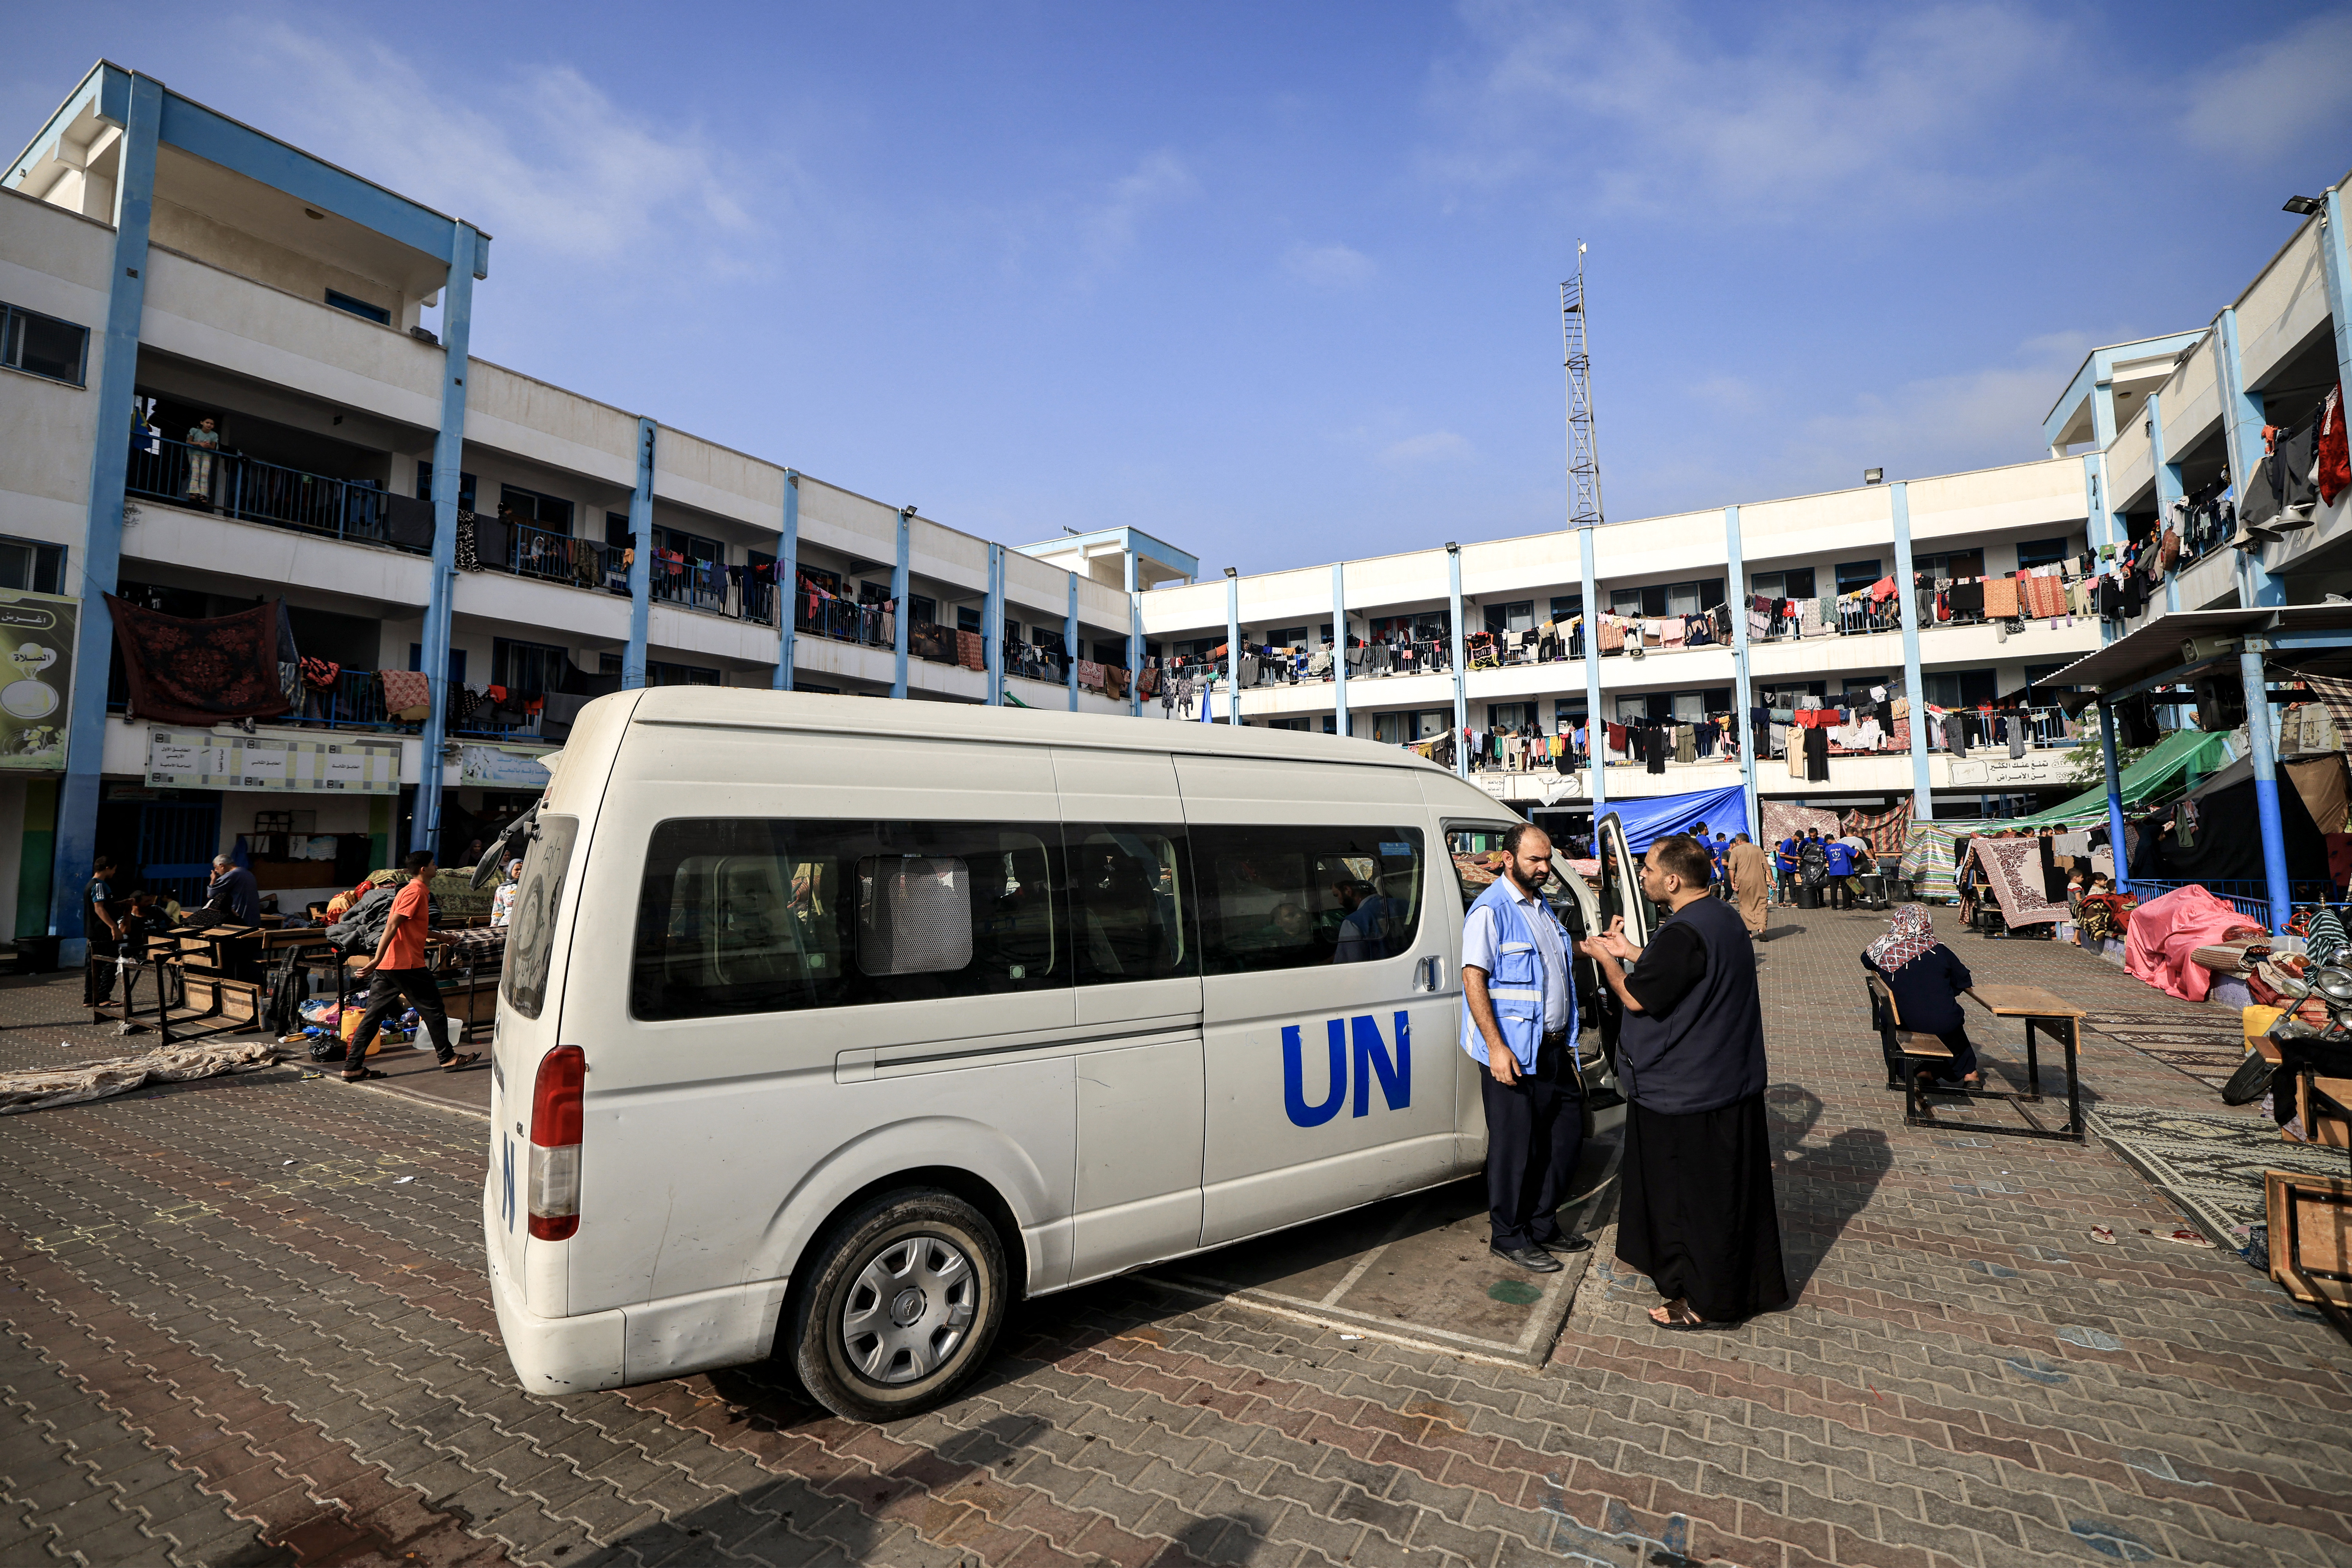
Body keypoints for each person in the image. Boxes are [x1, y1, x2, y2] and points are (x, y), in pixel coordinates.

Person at [1579, 834, 1789, 1328]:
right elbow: (1678, 970)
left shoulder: (1683, 932)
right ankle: (1734, 1289)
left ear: (1673, 879)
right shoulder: (1719, 916)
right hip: (1726, 1081)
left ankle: (1700, 1301)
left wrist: (1610, 962)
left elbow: (1637, 998)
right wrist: (1633, 949)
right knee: (1728, 1196)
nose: (1644, 876)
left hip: (1688, 1093)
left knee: (1692, 1204)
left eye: (1649, 869)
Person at [1459, 822, 1588, 1273]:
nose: (1545, 867)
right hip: (1513, 1052)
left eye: (1548, 859)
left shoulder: (1542, 906)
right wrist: (1495, 1047)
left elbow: (1553, 964)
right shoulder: (1490, 910)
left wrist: (1591, 947)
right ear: (1509, 859)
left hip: (1554, 1048)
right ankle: (1508, 1235)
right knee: (1515, 1148)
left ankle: (1541, 1223)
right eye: (1535, 859)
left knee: (1564, 1136)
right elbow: (1473, 978)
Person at [341, 851, 478, 1081]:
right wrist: (375, 960)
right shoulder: (415, 892)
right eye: (434, 864)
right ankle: (447, 1058)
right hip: (406, 964)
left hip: (392, 965)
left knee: (373, 1017)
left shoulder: (411, 891)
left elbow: (412, 927)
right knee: (434, 1011)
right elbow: (392, 926)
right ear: (424, 869)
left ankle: (353, 1066)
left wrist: (441, 937)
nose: (437, 867)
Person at [1862, 905, 1981, 1089]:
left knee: (1893, 1018)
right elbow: (1963, 981)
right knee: (1948, 1019)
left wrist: (1888, 940)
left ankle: (1922, 1072)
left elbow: (1866, 960)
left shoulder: (1885, 949)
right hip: (1941, 1022)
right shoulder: (1939, 950)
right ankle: (1970, 1074)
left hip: (1900, 1022)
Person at [82, 855, 124, 1004]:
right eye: (114, 869)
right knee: (109, 964)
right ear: (108, 868)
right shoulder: (99, 885)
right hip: (102, 932)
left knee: (94, 966)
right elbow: (99, 908)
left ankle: (90, 998)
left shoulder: (93, 885)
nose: (114, 873)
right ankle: (103, 997)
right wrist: (114, 927)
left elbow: (105, 905)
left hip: (94, 932)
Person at [1726, 832, 1770, 938]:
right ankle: (1761, 929)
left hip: (1743, 883)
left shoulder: (1736, 851)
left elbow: (1731, 868)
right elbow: (1766, 866)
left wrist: (1733, 883)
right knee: (1761, 905)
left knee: (1745, 906)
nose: (1736, 844)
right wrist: (1772, 880)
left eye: (1736, 842)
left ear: (1740, 841)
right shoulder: (1758, 849)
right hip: (1759, 882)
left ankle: (1749, 932)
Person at [205, 855, 261, 924]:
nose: (216, 871)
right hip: (252, 917)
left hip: (238, 916)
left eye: (216, 868)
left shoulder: (231, 875)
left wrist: (213, 879)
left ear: (222, 866)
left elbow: (211, 895)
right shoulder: (247, 873)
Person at [185, 416, 220, 508]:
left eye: (211, 424)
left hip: (206, 456)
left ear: (213, 426)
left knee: (205, 474)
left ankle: (203, 495)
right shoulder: (195, 431)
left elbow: (214, 447)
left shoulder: (214, 435)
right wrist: (200, 444)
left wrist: (208, 446)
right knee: (196, 472)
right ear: (202, 423)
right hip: (194, 454)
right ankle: (194, 492)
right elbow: (189, 441)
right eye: (207, 423)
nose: (209, 425)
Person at [1822, 833, 1856, 910]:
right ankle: (1846, 907)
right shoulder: (1844, 846)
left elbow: (1828, 859)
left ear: (1829, 840)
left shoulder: (1828, 848)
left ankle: (1834, 906)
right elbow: (1855, 854)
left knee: (1834, 889)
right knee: (1845, 889)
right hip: (1845, 871)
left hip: (1833, 871)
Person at [490, 858, 524, 927]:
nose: (520, 872)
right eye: (517, 870)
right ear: (510, 870)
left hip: (524, 923)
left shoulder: (528, 885)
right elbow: (498, 909)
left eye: (522, 869)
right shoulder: (503, 888)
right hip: (507, 923)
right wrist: (493, 926)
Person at [1773, 831, 1800, 907]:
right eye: (1799, 839)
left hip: (1791, 867)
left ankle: (1794, 902)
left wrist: (1797, 859)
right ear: (1796, 836)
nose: (1800, 841)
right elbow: (1782, 855)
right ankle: (1781, 902)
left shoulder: (1795, 844)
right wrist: (1794, 858)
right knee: (1783, 885)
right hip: (1782, 866)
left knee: (1793, 884)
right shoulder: (1787, 842)